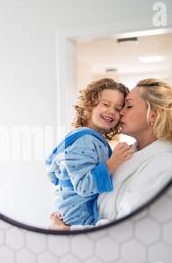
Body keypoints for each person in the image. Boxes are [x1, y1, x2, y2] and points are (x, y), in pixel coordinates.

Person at [50, 78, 172, 231]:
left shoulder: (162, 167)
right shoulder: (128, 154)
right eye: (107, 105)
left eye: (128, 106)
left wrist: (68, 230)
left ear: (152, 116)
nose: (120, 113)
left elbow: (128, 227)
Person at [46, 78, 131, 228]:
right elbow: (84, 186)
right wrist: (113, 163)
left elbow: (54, 175)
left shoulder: (90, 139)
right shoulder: (85, 140)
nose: (111, 111)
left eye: (118, 108)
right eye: (105, 104)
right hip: (79, 215)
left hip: (73, 210)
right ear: (89, 106)